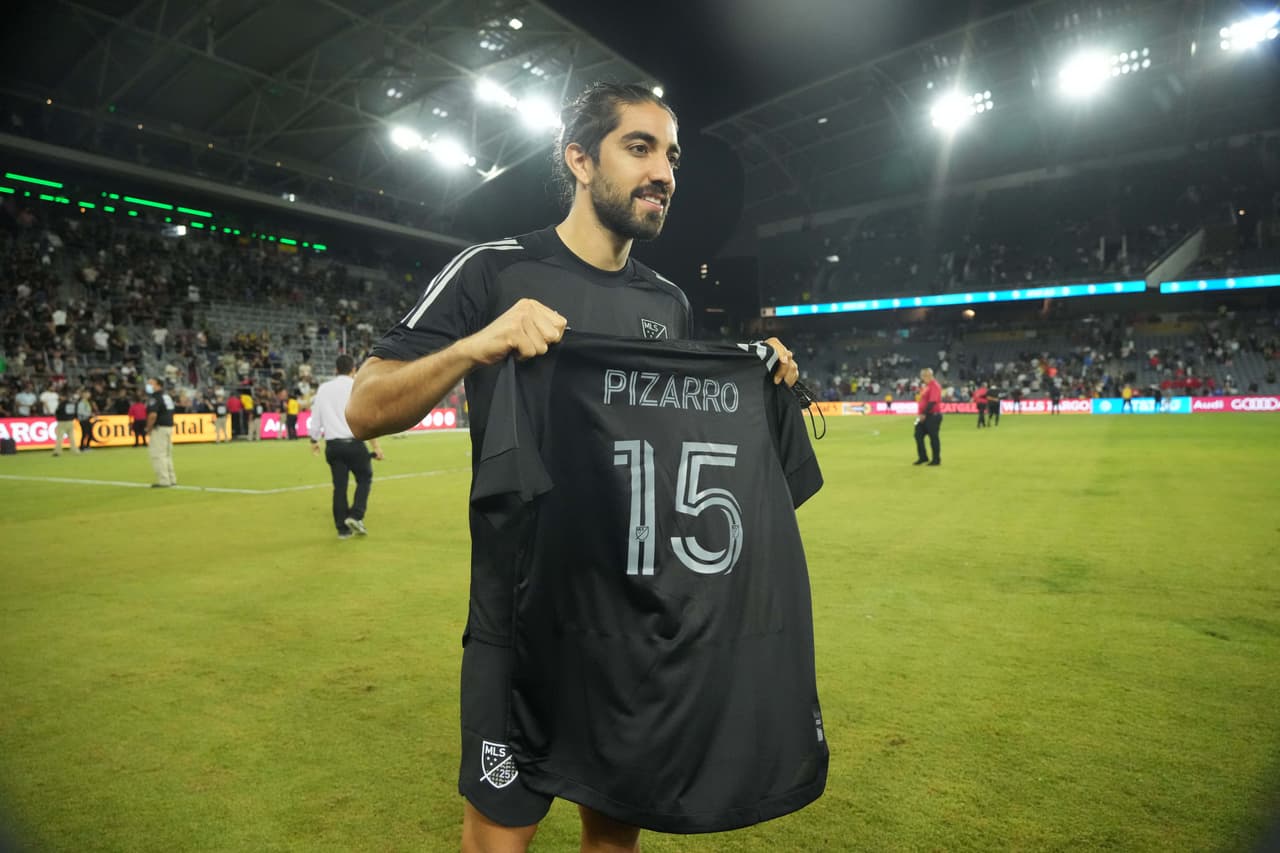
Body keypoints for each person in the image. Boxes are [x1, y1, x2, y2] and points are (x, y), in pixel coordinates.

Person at [346, 82, 801, 853]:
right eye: (640, 147)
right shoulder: (494, 271)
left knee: (613, 841)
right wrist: (476, 344)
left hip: (625, 627)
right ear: (580, 160)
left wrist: (756, 381)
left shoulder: (669, 305)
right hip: (514, 626)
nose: (664, 172)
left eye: (673, 156)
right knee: (499, 839)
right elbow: (365, 407)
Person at [309, 355, 382, 539]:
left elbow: (316, 416)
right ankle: (356, 515)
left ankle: (342, 529)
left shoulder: (324, 389)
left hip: (333, 445)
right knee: (364, 478)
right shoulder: (357, 386)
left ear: (336, 369)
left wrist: (314, 440)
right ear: (353, 370)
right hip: (355, 443)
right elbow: (368, 419)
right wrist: (376, 446)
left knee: (339, 487)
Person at [145, 377, 177, 488]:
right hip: (168, 426)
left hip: (159, 428)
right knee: (167, 455)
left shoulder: (155, 398)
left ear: (158, 385)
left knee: (158, 455)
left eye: (151, 383)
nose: (148, 385)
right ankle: (171, 478)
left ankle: (164, 480)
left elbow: (153, 415)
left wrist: (148, 429)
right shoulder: (166, 396)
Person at [914, 367, 943, 466]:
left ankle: (936, 459)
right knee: (917, 435)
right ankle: (923, 457)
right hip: (922, 416)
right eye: (922, 375)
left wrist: (923, 413)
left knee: (933, 437)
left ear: (930, 375)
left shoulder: (934, 385)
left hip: (932, 415)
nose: (923, 377)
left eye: (925, 375)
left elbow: (932, 402)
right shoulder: (925, 386)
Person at [52, 389, 78, 456]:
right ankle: (75, 450)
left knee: (60, 437)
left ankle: (58, 451)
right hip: (70, 421)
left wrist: (57, 417)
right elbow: (74, 412)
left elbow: (57, 412)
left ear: (63, 397)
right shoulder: (72, 403)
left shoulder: (62, 404)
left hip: (62, 422)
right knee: (72, 437)